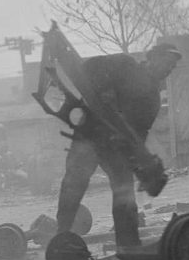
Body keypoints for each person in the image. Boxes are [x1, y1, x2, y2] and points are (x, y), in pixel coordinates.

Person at [55, 43, 181, 248]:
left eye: (172, 67)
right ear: (153, 58)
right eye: (166, 62)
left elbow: (139, 135)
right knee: (74, 183)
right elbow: (88, 68)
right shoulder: (125, 64)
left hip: (115, 147)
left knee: (125, 191)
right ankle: (61, 238)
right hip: (90, 134)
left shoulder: (153, 100)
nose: (168, 69)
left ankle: (129, 246)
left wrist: (139, 161)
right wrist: (106, 88)